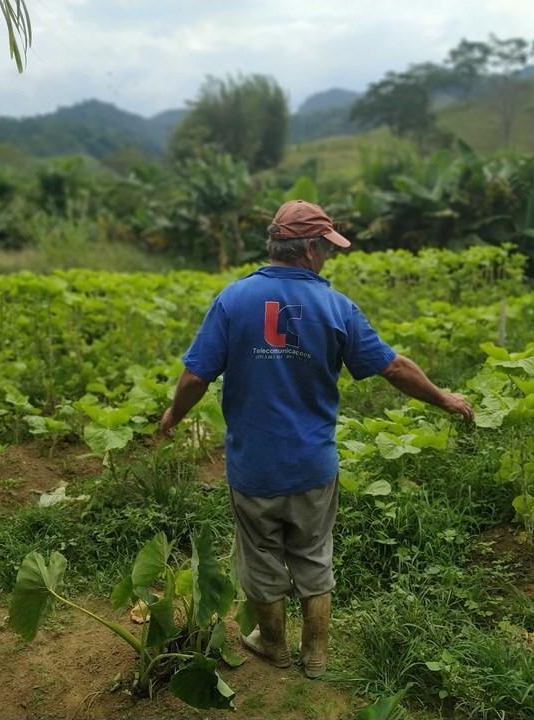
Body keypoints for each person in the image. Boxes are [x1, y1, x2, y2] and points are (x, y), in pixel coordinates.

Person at [159, 200, 474, 679]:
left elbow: (195, 376)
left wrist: (172, 416)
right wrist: (444, 398)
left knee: (260, 554)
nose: (328, 255)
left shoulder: (234, 299)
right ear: (308, 248)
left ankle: (272, 644)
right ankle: (317, 656)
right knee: (312, 552)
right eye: (326, 246)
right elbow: (392, 367)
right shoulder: (335, 306)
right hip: (312, 464)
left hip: (254, 467)